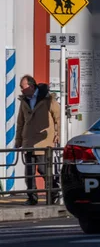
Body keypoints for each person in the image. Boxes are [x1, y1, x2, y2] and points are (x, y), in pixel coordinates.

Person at [15, 75, 61, 205]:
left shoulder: (47, 99)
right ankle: (32, 197)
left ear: (31, 86)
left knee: (43, 169)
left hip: (43, 140)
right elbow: (20, 122)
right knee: (29, 171)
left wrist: (57, 133)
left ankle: (53, 192)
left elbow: (57, 117)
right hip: (28, 140)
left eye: (22, 87)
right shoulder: (24, 101)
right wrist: (18, 140)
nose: (21, 90)